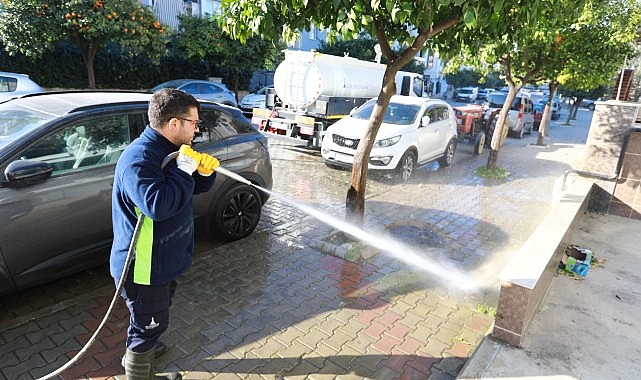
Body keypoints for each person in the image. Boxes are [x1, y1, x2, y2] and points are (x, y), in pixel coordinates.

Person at [110, 88, 219, 380]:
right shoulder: (140, 159)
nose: (198, 129)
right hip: (143, 267)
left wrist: (203, 176)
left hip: (161, 261)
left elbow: (185, 191)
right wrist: (184, 170)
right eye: (193, 123)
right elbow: (159, 204)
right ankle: (138, 367)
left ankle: (141, 348)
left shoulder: (167, 152)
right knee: (149, 324)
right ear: (174, 123)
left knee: (151, 317)